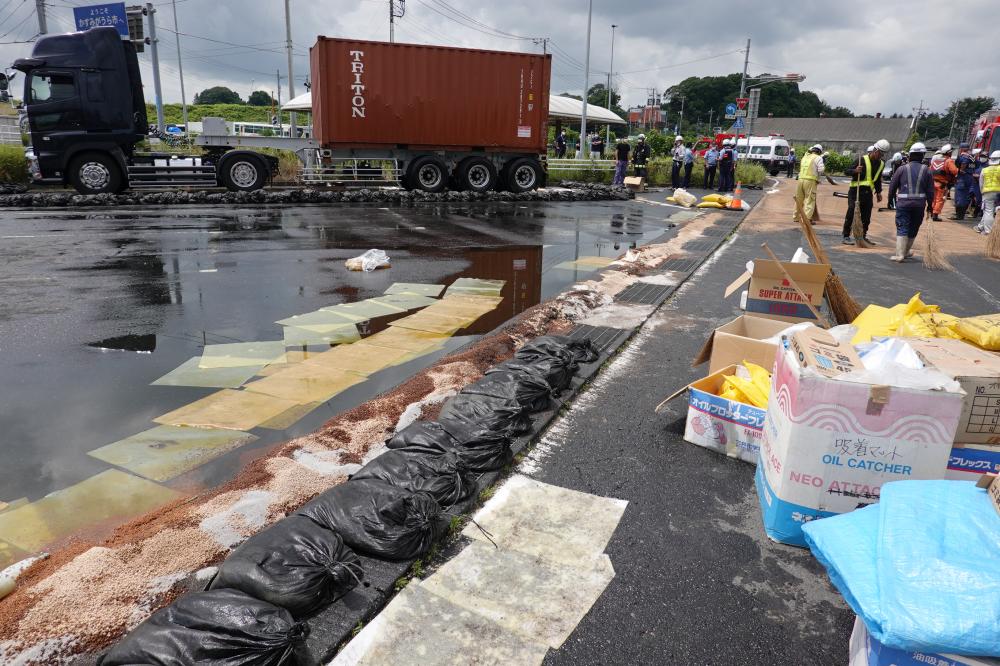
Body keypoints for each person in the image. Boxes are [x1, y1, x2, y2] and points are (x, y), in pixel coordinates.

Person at [886, 142, 933, 262]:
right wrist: (930, 207)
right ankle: (906, 252)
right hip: (919, 204)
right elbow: (930, 191)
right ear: (922, 155)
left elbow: (892, 187)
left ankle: (900, 254)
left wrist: (890, 201)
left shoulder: (902, 169)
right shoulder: (927, 170)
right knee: (914, 227)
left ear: (910, 155)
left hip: (903, 204)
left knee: (902, 226)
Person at [841, 139, 889, 245]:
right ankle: (846, 236)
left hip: (868, 193)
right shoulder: (861, 160)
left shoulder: (881, 164)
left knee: (866, 217)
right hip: (855, 192)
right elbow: (846, 171)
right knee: (851, 212)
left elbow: (876, 179)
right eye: (879, 153)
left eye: (882, 154)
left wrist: (879, 192)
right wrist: (855, 171)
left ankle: (862, 236)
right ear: (875, 150)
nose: (880, 156)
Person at [794, 144, 825, 224]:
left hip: (800, 180)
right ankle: (807, 219)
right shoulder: (818, 158)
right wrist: (820, 175)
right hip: (810, 181)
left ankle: (796, 217)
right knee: (809, 200)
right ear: (819, 151)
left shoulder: (805, 157)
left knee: (799, 199)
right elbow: (821, 169)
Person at [930, 144, 957, 220]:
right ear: (949, 153)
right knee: (939, 199)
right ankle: (935, 215)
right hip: (941, 184)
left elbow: (930, 169)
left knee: (934, 199)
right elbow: (954, 171)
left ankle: (932, 212)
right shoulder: (948, 161)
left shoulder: (936, 160)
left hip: (933, 182)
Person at [975, 150, 1000, 235]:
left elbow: (981, 183)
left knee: (988, 211)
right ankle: (982, 227)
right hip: (998, 193)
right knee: (991, 211)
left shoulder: (984, 170)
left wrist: (982, 192)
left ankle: (987, 230)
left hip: (987, 193)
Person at [951, 142, 975, 220]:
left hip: (963, 178)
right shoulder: (973, 156)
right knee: (966, 196)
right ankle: (961, 214)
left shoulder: (964, 156)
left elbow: (964, 163)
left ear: (961, 149)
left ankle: (959, 215)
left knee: (960, 196)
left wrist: (961, 170)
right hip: (970, 178)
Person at [970, 148, 986, 218]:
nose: (982, 158)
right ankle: (971, 210)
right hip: (974, 184)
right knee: (970, 196)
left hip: (981, 184)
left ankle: (977, 213)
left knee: (980, 199)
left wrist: (979, 176)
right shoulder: (976, 163)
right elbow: (970, 169)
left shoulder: (988, 165)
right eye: (981, 156)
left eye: (984, 157)